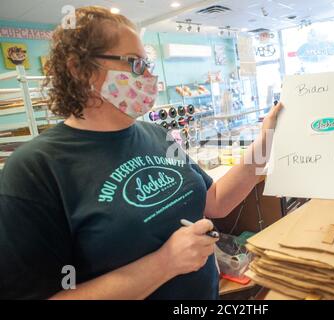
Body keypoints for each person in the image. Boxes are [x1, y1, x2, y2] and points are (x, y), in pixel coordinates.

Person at [0, 6, 283, 300]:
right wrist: (165, 264)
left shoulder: (157, 134)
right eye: (135, 64)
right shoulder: (35, 169)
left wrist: (268, 138)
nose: (148, 76)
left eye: (148, 64)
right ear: (80, 70)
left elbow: (216, 202)